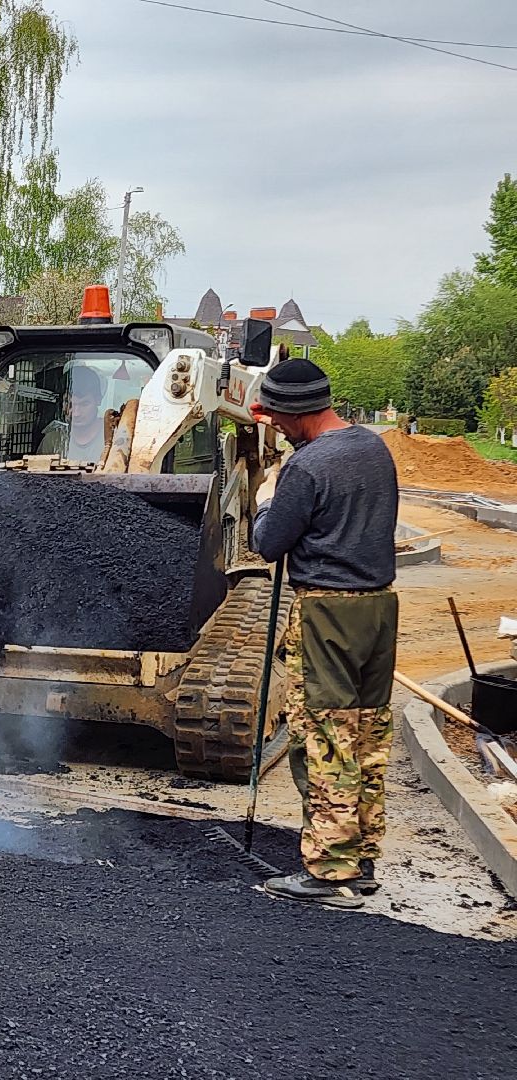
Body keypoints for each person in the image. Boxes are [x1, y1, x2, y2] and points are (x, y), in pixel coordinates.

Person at [250, 357, 399, 909]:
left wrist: (266, 497)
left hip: (327, 612)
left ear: (294, 413)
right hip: (379, 608)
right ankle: (360, 859)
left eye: (278, 420)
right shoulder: (373, 448)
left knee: (324, 735)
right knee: (366, 733)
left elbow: (269, 544)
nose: (277, 429)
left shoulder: (307, 467)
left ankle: (330, 874)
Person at [37, 365, 107, 463]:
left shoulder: (112, 438)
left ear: (98, 400)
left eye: (84, 404)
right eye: (69, 404)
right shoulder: (52, 441)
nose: (76, 413)